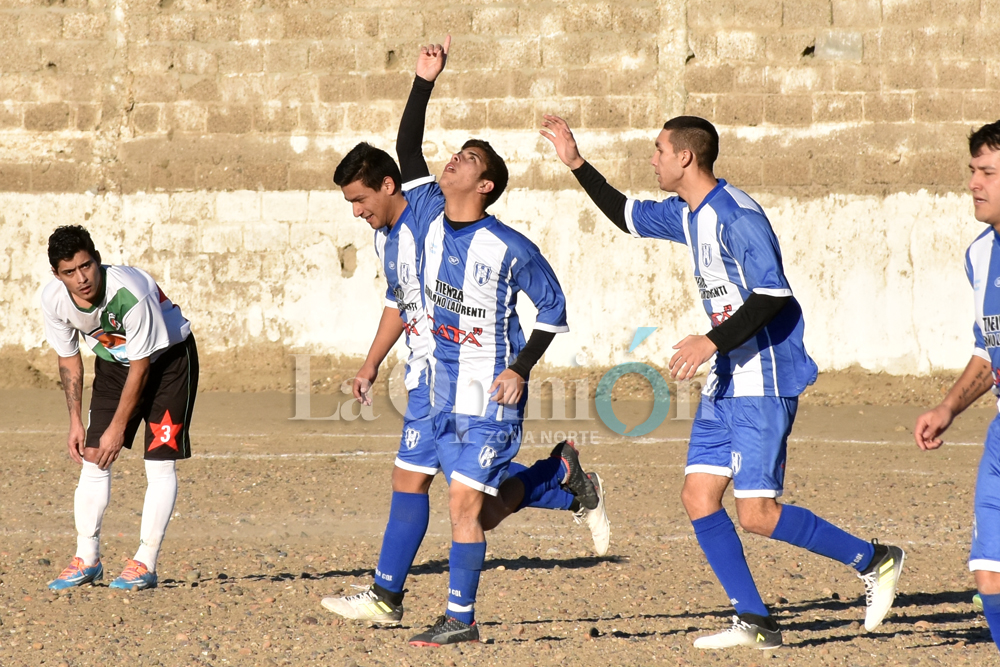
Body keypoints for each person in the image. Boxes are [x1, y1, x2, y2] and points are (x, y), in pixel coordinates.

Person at [541, 114, 904, 649]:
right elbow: (625, 215)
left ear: (685, 157)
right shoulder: (687, 213)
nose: (653, 159)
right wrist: (576, 162)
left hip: (764, 377)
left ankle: (874, 560)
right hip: (729, 376)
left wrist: (710, 341)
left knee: (757, 514)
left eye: (659, 149)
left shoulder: (737, 215)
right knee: (697, 495)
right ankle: (755, 621)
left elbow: (772, 293)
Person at [320, 141, 610, 633]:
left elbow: (553, 308)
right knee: (417, 484)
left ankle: (461, 618)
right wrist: (371, 363)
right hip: (432, 384)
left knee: (473, 510)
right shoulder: (417, 232)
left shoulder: (496, 243)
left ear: (485, 185)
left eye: (468, 159)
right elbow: (399, 301)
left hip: (484, 394)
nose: (453, 159)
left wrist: (519, 368)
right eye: (456, 153)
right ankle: (387, 597)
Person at [42, 225, 197, 591]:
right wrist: (75, 421)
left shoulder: (130, 293)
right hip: (114, 363)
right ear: (57, 274)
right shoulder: (54, 299)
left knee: (158, 462)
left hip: (168, 363)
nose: (81, 278)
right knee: (94, 455)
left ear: (97, 260)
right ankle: (87, 559)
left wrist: (118, 428)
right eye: (69, 272)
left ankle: (145, 562)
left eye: (86, 266)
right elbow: (69, 359)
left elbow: (141, 367)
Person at [915, 119, 1000, 654]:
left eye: (988, 172)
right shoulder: (980, 254)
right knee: (989, 571)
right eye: (972, 170)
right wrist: (949, 406)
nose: (973, 183)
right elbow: (988, 348)